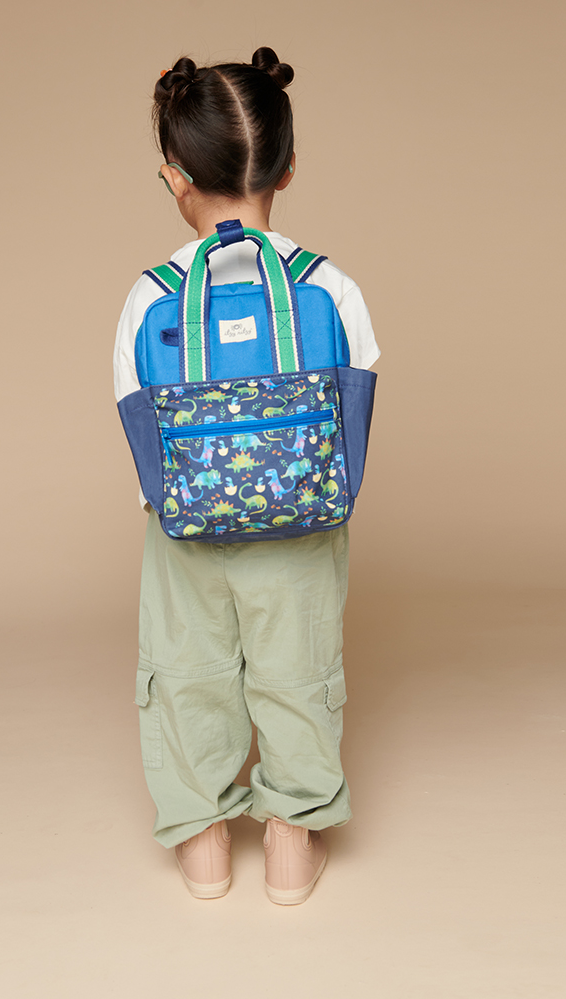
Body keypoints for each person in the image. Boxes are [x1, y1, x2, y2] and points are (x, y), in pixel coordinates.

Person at [112, 47, 380, 905]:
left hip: (186, 529)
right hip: (304, 525)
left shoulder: (149, 296)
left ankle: (202, 846)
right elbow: (359, 400)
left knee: (189, 669)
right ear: (288, 167)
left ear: (174, 177)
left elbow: (135, 412)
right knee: (295, 670)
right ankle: (293, 844)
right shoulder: (328, 288)